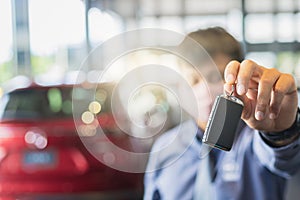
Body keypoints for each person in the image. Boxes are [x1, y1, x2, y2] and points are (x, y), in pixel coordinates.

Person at [143, 27, 300, 200]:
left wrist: (280, 133)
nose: (204, 89)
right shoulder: (164, 149)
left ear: (239, 76)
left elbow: (285, 160)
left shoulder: (257, 138)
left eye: (216, 76)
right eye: (193, 80)